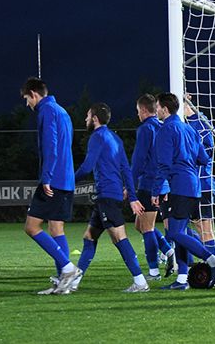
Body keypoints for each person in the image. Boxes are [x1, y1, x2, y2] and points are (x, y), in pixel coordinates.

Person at [152, 92, 215, 290]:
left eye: (157, 107)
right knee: (180, 232)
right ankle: (182, 280)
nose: (156, 110)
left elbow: (164, 164)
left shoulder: (166, 130)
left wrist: (156, 190)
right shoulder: (189, 129)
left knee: (175, 233)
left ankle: (213, 261)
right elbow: (203, 159)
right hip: (194, 187)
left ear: (165, 109)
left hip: (180, 187)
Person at [73, 103, 149, 293]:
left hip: (107, 195)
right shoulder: (115, 138)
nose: (85, 120)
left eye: (87, 116)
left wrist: (67, 181)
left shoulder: (97, 137)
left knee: (119, 238)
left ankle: (140, 282)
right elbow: (126, 170)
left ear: (95, 119)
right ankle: (73, 281)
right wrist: (131, 196)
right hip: (107, 196)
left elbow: (87, 166)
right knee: (89, 237)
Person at [20, 77, 81, 295]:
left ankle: (67, 268)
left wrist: (46, 177)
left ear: (34, 94)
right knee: (56, 228)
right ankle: (64, 283)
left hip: (53, 179)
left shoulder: (46, 111)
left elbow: (51, 147)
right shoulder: (62, 111)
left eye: (27, 99)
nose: (28, 104)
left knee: (31, 227)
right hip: (65, 179)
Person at [131, 93, 175, 280]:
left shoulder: (145, 129)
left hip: (149, 183)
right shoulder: (163, 127)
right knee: (139, 225)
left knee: (146, 227)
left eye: (137, 111)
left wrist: (130, 185)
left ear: (142, 110)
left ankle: (153, 271)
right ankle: (168, 250)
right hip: (163, 184)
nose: (137, 115)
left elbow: (138, 160)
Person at [184, 97, 215, 267]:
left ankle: (214, 270)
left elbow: (207, 154)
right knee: (177, 228)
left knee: (205, 230)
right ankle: (189, 266)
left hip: (201, 185)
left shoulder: (201, 122)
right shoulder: (180, 123)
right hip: (184, 186)